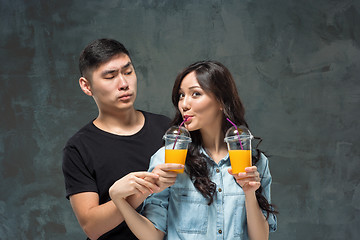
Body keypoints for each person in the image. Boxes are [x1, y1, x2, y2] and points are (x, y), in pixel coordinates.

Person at [109, 60, 278, 239]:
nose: (184, 104)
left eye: (195, 94)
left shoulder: (253, 162)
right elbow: (153, 236)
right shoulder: (167, 160)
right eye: (181, 95)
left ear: (221, 101)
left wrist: (249, 192)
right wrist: (120, 201)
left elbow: (260, 238)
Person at [62, 38, 183, 240]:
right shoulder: (78, 148)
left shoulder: (169, 129)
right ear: (86, 86)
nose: (124, 84)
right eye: (110, 76)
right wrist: (144, 190)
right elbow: (92, 227)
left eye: (128, 72)